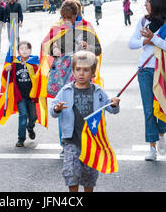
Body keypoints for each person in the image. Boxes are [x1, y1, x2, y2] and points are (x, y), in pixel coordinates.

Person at [35, 0, 102, 156]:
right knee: (64, 108)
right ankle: (65, 145)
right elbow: (47, 47)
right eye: (63, 16)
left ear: (76, 14)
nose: (65, 20)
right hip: (63, 76)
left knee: (82, 109)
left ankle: (82, 143)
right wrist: (55, 48)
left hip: (82, 74)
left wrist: (89, 47)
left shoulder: (86, 28)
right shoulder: (58, 28)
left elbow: (97, 50)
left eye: (68, 17)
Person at [50, 50, 120, 192]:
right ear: (73, 71)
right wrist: (57, 109)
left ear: (93, 72)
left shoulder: (98, 91)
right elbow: (53, 111)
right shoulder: (66, 90)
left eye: (86, 70)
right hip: (71, 140)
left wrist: (114, 104)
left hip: (92, 141)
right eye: (78, 70)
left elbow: (112, 109)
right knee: (71, 172)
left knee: (89, 175)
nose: (81, 73)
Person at [128, 0, 166, 161]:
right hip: (145, 70)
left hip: (164, 71)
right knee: (149, 110)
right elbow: (131, 43)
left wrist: (153, 39)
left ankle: (161, 132)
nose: (145, 4)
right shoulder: (143, 21)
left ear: (156, 3)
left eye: (148, 1)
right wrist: (145, 41)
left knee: (164, 107)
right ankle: (151, 147)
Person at [4, 41, 39, 147]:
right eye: (22, 49)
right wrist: (7, 70)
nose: (24, 50)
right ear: (18, 52)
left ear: (30, 51)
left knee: (33, 117)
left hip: (31, 96)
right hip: (20, 96)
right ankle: (21, 139)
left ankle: (30, 127)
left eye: (27, 48)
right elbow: (7, 78)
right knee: (23, 116)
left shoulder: (34, 63)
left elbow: (40, 76)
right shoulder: (15, 64)